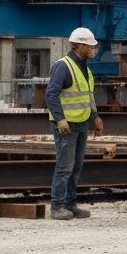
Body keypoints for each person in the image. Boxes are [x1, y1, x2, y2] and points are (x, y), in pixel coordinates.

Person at [46, 27, 104, 220]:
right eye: (90, 45)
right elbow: (51, 95)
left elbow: (88, 96)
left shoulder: (85, 69)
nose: (93, 49)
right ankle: (57, 206)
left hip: (80, 124)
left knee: (76, 166)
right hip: (66, 126)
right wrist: (60, 119)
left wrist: (95, 116)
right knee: (64, 167)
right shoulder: (63, 66)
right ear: (78, 45)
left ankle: (70, 204)